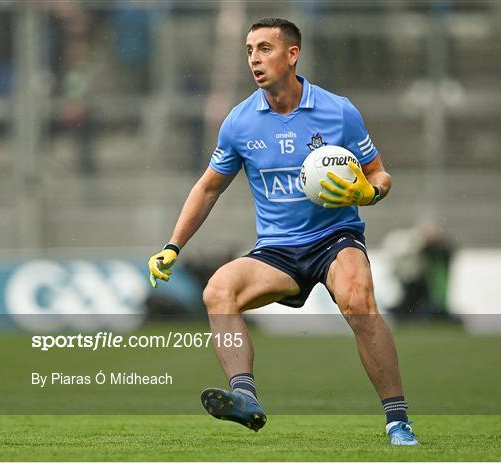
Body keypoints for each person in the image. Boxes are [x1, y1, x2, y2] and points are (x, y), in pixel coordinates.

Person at [148, 18, 419, 446]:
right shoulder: (239, 122)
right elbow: (208, 188)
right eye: (249, 50)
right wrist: (172, 246)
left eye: (265, 49)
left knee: (357, 301)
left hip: (335, 238)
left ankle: (397, 421)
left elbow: (379, 174)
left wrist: (369, 193)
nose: (254, 58)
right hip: (277, 249)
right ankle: (245, 398)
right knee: (218, 291)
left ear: (292, 55)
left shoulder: (338, 110)